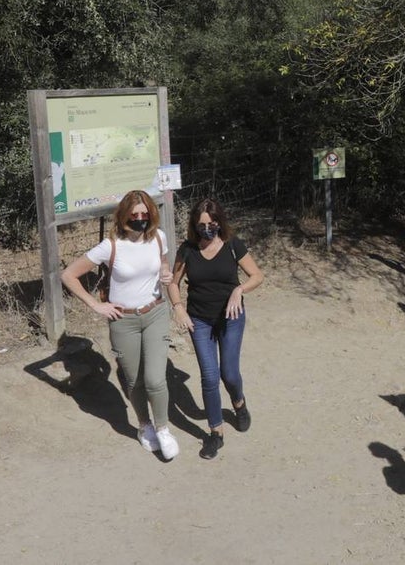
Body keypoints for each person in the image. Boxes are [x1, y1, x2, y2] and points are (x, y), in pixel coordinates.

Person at [61, 190, 179, 460]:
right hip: (122, 320)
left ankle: (163, 428)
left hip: (155, 314)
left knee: (155, 378)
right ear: (124, 215)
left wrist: (164, 273)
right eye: (134, 214)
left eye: (144, 214)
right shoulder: (110, 246)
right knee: (134, 379)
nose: (140, 219)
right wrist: (95, 305)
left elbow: (162, 265)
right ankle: (144, 426)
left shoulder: (158, 237)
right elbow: (69, 275)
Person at [167, 199, 265, 460]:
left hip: (231, 318)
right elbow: (173, 283)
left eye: (212, 224)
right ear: (194, 226)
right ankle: (215, 433)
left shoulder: (233, 245)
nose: (207, 229)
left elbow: (257, 276)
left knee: (229, 373)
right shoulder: (187, 250)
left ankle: (239, 404)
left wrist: (239, 289)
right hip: (199, 320)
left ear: (219, 222)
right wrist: (178, 307)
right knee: (209, 377)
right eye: (202, 225)